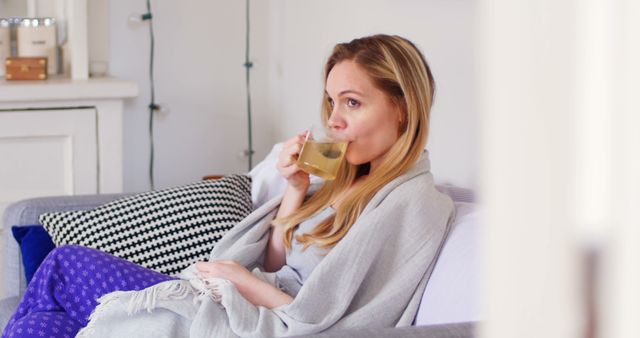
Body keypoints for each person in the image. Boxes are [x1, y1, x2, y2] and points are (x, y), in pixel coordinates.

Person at [2, 34, 454, 338]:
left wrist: (239, 279)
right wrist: (294, 190)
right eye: (332, 102)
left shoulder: (414, 203)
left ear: (402, 108)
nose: (333, 119)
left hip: (246, 317)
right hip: (237, 300)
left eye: (352, 103)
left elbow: (322, 321)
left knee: (62, 264)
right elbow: (280, 262)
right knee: (41, 325)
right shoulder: (344, 178)